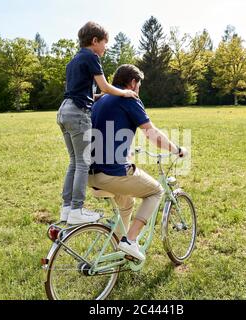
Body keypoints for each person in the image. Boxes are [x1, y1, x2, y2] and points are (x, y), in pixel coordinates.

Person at [88, 64, 187, 261]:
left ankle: (118, 251)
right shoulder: (129, 98)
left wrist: (125, 149)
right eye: (139, 85)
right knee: (156, 191)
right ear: (133, 83)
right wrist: (177, 149)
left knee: (127, 204)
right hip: (112, 173)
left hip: (90, 174)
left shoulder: (100, 100)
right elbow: (152, 134)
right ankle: (130, 241)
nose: (138, 89)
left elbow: (108, 129)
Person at [57, 22, 139, 225]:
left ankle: (66, 208)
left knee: (74, 162)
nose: (105, 47)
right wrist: (124, 92)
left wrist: (100, 95)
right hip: (78, 114)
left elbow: (81, 92)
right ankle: (77, 209)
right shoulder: (91, 57)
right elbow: (104, 84)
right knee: (83, 162)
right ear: (94, 41)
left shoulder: (73, 60)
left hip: (64, 111)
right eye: (104, 43)